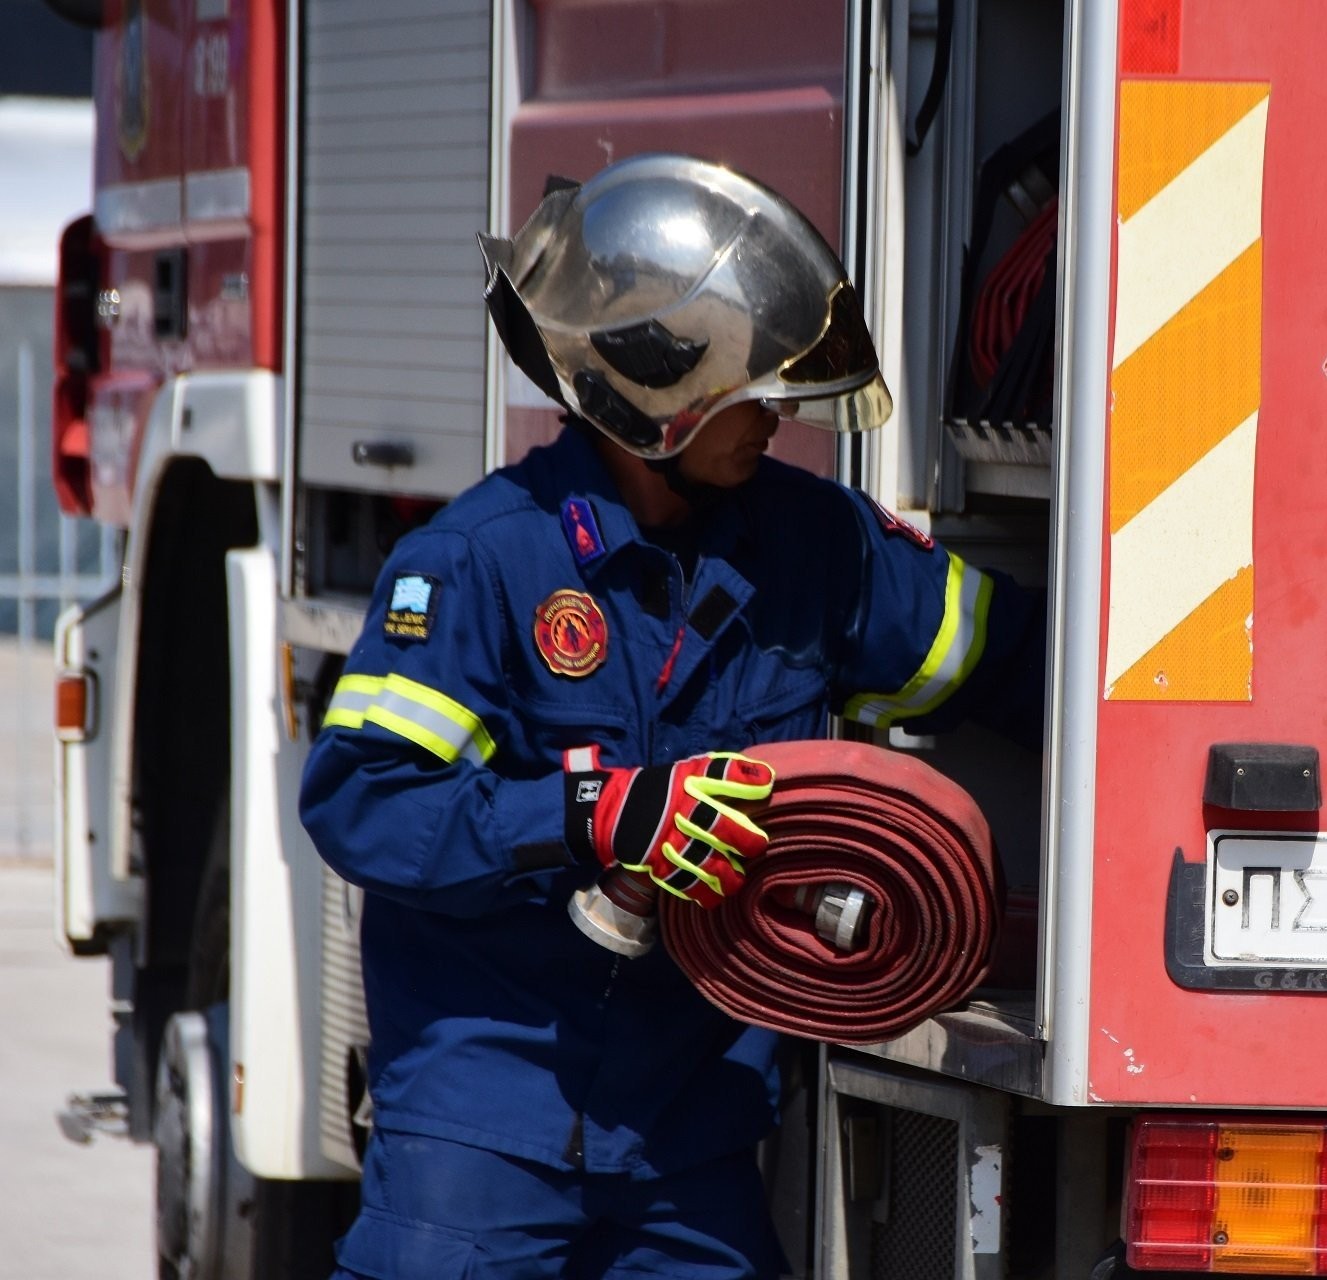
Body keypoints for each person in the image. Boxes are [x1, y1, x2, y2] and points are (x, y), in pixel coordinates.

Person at [299, 154, 1043, 1279]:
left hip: (691, 1134)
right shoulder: (478, 563)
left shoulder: (817, 549)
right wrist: (594, 811)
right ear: (652, 397)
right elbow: (364, 805)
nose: (779, 423)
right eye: (752, 400)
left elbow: (1018, 662)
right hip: (484, 1113)